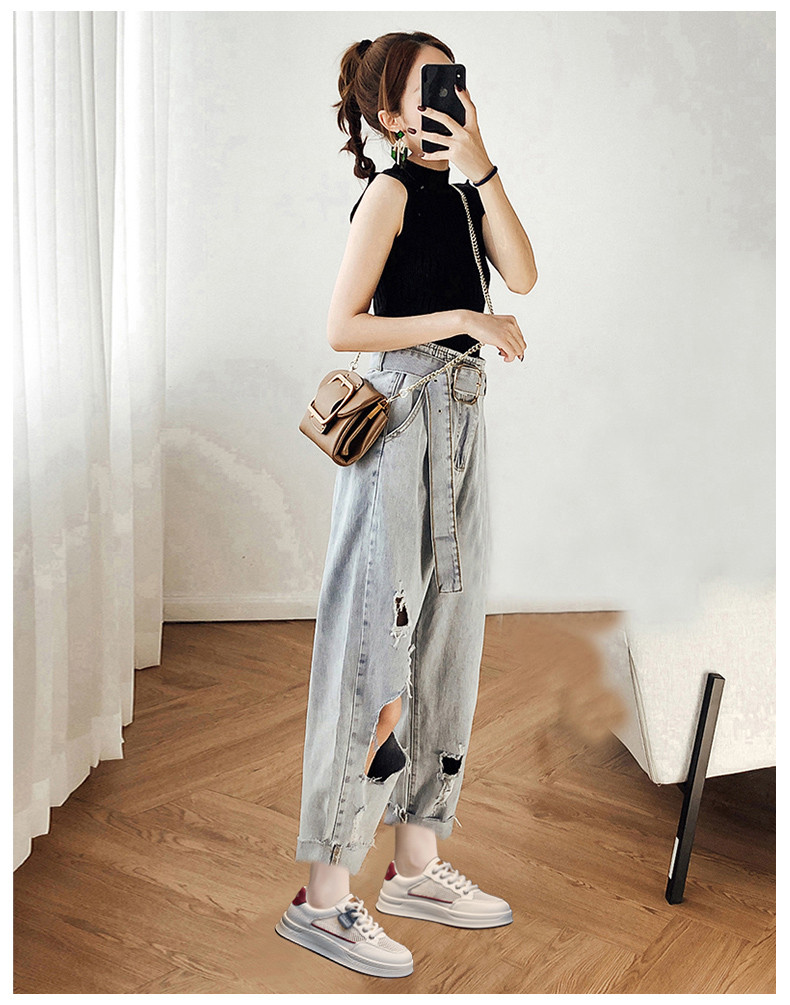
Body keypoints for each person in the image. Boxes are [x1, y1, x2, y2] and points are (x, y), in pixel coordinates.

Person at [275, 31, 536, 978]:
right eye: (429, 89)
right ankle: (322, 895)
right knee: (374, 655)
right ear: (388, 113)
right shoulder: (387, 194)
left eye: (454, 85)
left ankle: (415, 862)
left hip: (462, 423)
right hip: (401, 422)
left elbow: (525, 273)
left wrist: (483, 162)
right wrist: (464, 317)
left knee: (447, 647)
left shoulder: (466, 197)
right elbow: (343, 325)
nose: (447, 101)